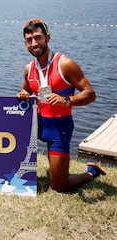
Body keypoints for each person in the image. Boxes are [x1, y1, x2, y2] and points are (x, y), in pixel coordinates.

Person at [17, 18, 106, 192]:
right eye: (29, 40)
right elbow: (26, 90)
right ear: (25, 43)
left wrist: (66, 100)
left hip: (59, 128)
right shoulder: (29, 68)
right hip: (37, 125)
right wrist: (23, 94)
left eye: (38, 37)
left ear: (48, 37)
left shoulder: (65, 64)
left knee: (59, 186)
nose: (34, 43)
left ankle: (91, 172)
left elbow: (90, 94)